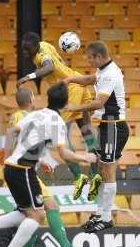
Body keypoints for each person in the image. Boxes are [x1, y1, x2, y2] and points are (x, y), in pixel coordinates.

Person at [0, 83, 96, 247]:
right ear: (66, 104)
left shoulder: (36, 114)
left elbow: (10, 132)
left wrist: (8, 159)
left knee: (27, 213)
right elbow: (64, 154)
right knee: (37, 216)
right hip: (22, 170)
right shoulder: (56, 121)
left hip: (18, 168)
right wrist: (85, 157)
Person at [17, 32, 101, 202]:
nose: (25, 54)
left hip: (69, 91)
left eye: (27, 50)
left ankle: (79, 177)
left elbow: (49, 67)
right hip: (78, 84)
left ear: (34, 47)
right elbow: (60, 62)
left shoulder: (41, 57)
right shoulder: (45, 44)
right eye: (23, 50)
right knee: (86, 131)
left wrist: (28, 76)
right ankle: (96, 176)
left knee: (60, 137)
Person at [63, 41, 129, 233]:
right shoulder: (103, 70)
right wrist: (70, 80)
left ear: (99, 56)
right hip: (106, 126)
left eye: (90, 58)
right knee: (101, 169)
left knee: (107, 170)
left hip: (114, 126)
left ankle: (107, 217)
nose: (89, 61)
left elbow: (99, 103)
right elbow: (91, 79)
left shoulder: (111, 73)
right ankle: (100, 213)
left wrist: (74, 108)